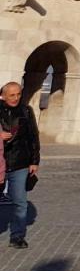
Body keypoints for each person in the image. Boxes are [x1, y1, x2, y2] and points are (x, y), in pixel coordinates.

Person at [0, 81, 40, 249]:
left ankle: (17, 236)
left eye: (18, 94)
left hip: (20, 162)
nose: (16, 98)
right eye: (12, 95)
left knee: (20, 201)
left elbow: (33, 136)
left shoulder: (26, 111)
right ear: (3, 95)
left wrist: (34, 161)